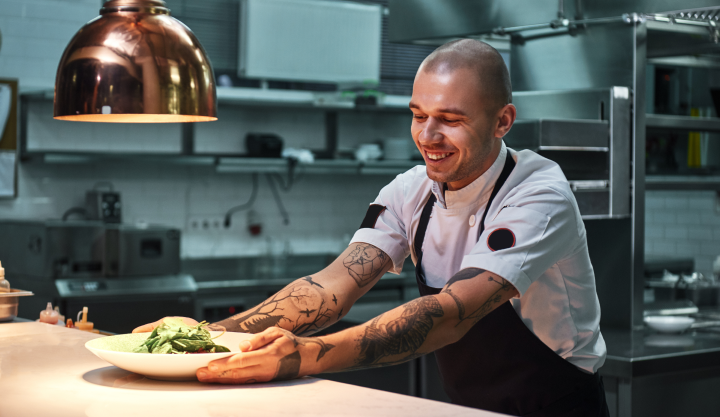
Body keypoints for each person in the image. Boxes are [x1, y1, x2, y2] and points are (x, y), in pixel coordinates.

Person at [135, 39, 609, 416]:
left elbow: (450, 315)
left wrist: (304, 355)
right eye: (418, 116)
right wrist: (205, 337)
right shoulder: (411, 189)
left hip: (557, 405)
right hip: (469, 407)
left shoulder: (539, 195)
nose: (427, 137)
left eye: (449, 120)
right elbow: (330, 289)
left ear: (503, 120)